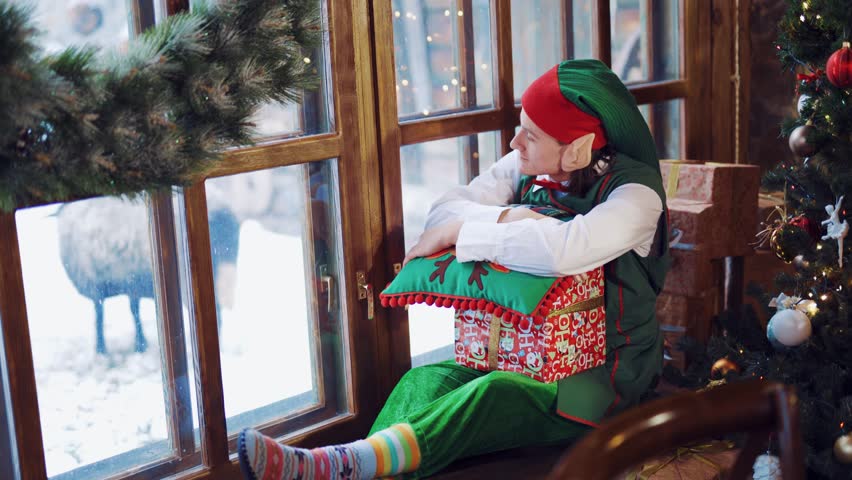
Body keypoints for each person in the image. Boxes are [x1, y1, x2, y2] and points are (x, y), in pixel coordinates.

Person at [237, 59, 671, 480]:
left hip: (599, 381)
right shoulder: (527, 168)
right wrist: (510, 220)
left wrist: (463, 232)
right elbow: (446, 207)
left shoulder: (635, 195)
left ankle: (339, 465)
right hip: (514, 355)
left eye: (531, 136)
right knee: (423, 380)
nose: (514, 144)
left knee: (493, 393)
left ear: (577, 149)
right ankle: (343, 464)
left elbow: (564, 250)